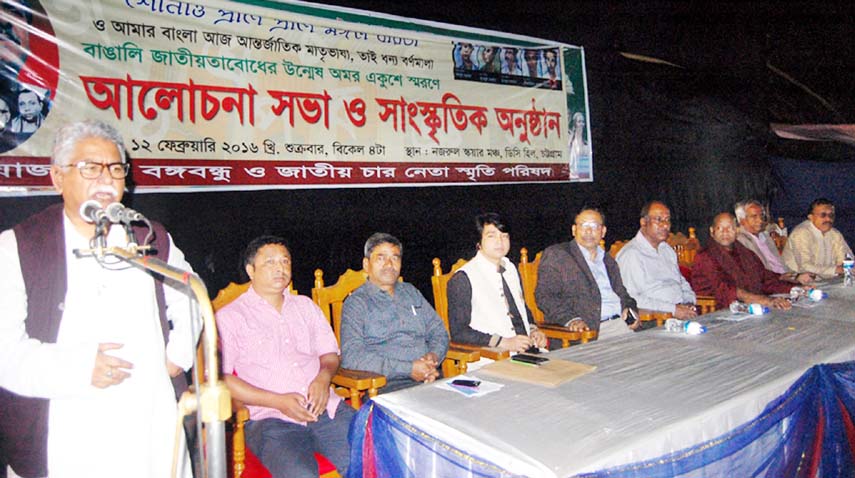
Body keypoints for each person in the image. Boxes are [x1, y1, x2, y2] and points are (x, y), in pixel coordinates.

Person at [0, 119, 198, 478]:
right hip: (67, 423)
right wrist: (78, 368)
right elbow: (4, 349)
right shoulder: (18, 247)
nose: (106, 180)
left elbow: (191, 295)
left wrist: (176, 355)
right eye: (90, 168)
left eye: (116, 168)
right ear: (58, 177)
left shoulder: (150, 238)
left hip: (148, 422)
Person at [216, 236, 354, 478]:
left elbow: (329, 355)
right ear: (251, 270)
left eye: (285, 261)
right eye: (270, 262)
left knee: (369, 457)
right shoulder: (231, 317)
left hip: (325, 408)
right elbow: (223, 379)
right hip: (271, 420)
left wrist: (323, 378)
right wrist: (278, 401)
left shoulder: (306, 306)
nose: (280, 268)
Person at [340, 233, 449, 393]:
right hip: (388, 385)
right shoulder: (357, 303)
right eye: (381, 258)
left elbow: (439, 332)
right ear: (366, 264)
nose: (389, 264)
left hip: (431, 377)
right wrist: (408, 369)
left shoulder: (411, 292)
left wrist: (433, 357)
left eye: (395, 258)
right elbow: (352, 356)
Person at [447, 213, 547, 353]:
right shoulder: (463, 278)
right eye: (491, 236)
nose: (500, 242)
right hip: (493, 357)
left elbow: (521, 308)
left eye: (504, 236)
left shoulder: (510, 268)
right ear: (478, 243)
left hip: (527, 352)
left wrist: (533, 330)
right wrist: (503, 342)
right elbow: (459, 333)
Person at [536, 207, 640, 339]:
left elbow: (623, 295)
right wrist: (571, 319)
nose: (589, 231)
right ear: (574, 230)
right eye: (584, 225)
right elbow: (545, 297)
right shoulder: (558, 256)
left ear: (603, 231)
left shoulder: (608, 260)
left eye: (595, 226)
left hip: (620, 326)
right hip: (587, 333)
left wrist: (630, 309)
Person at [691, 212, 793, 310]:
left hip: (749, 305)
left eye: (730, 228)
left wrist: (795, 287)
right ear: (712, 231)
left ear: (737, 231)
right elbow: (727, 290)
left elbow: (765, 278)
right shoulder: (705, 257)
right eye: (720, 228)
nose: (725, 232)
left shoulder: (743, 252)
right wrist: (766, 301)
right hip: (716, 309)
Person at [616, 201, 697, 319]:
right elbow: (631, 298)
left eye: (668, 220)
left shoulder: (667, 250)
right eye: (659, 220)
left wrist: (689, 301)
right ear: (643, 222)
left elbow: (681, 282)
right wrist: (672, 310)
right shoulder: (631, 254)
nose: (665, 225)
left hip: (680, 312)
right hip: (655, 318)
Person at [735, 199, 813, 284]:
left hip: (785, 281)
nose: (760, 220)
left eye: (761, 216)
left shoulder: (764, 235)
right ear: (741, 220)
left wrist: (795, 276)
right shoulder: (740, 241)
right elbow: (759, 274)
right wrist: (792, 278)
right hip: (771, 286)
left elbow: (779, 264)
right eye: (754, 216)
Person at [782, 198, 853, 279]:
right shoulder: (801, 233)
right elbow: (805, 267)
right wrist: (835, 270)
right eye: (823, 215)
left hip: (830, 282)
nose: (828, 219)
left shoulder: (835, 234)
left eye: (831, 215)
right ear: (810, 217)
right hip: (799, 283)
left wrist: (847, 267)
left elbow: (847, 259)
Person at [567, 112, 590, 178]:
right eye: (579, 121)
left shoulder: (586, 143)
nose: (581, 124)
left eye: (583, 122)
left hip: (583, 176)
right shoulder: (570, 141)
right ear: (575, 124)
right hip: (571, 176)